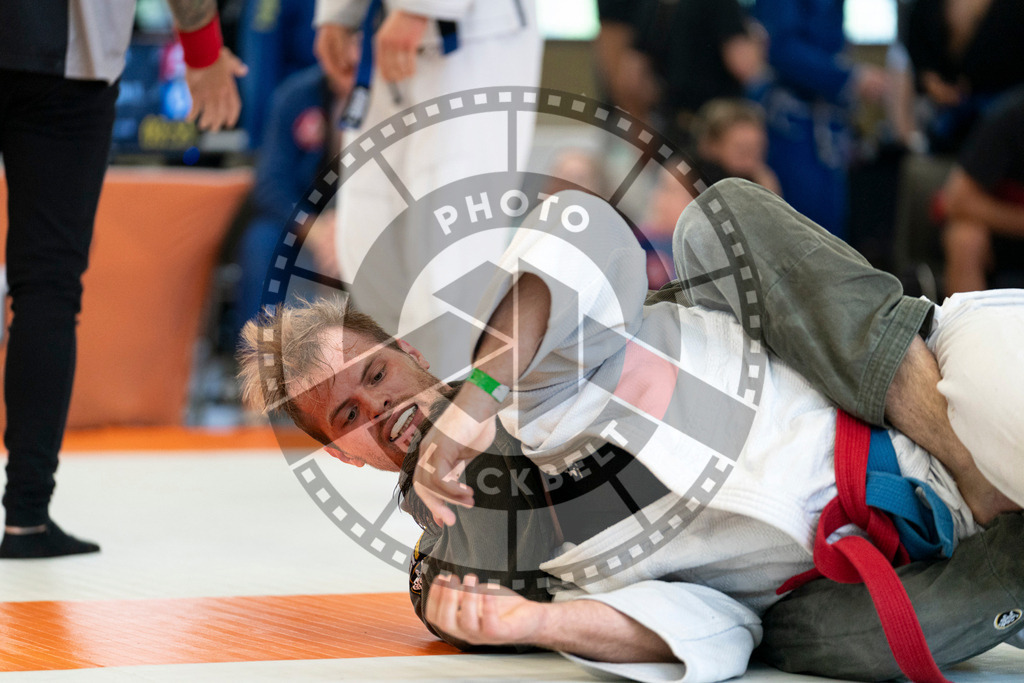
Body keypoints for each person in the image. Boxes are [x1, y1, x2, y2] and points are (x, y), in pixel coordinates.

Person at [238, 178, 1023, 681]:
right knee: (814, 646)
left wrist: (478, 397)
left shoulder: (517, 357)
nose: (382, 409)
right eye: (349, 415)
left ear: (409, 352)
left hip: (896, 402)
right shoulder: (466, 554)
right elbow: (698, 624)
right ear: (341, 453)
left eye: (375, 375)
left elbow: (577, 226)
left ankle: (970, 468)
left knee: (717, 221)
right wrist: (535, 622)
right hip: (844, 567)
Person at [0, 0, 245, 559]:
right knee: (47, 290)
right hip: (68, 67)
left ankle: (30, 519)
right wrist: (202, 48)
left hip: (69, 66)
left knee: (47, 293)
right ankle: (26, 520)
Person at [312, 0, 542, 380]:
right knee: (369, 243)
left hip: (475, 35)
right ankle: (401, 411)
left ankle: (459, 419)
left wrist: (420, 7)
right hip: (382, 30)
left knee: (449, 256)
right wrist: (341, 12)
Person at [752, 0, 890, 240]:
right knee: (798, 230)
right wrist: (849, 77)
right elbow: (782, 49)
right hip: (794, 128)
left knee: (830, 234)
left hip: (828, 129)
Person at [939, 86, 1024, 294]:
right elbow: (956, 199)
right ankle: (967, 325)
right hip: (1003, 232)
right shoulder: (1011, 116)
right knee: (964, 238)